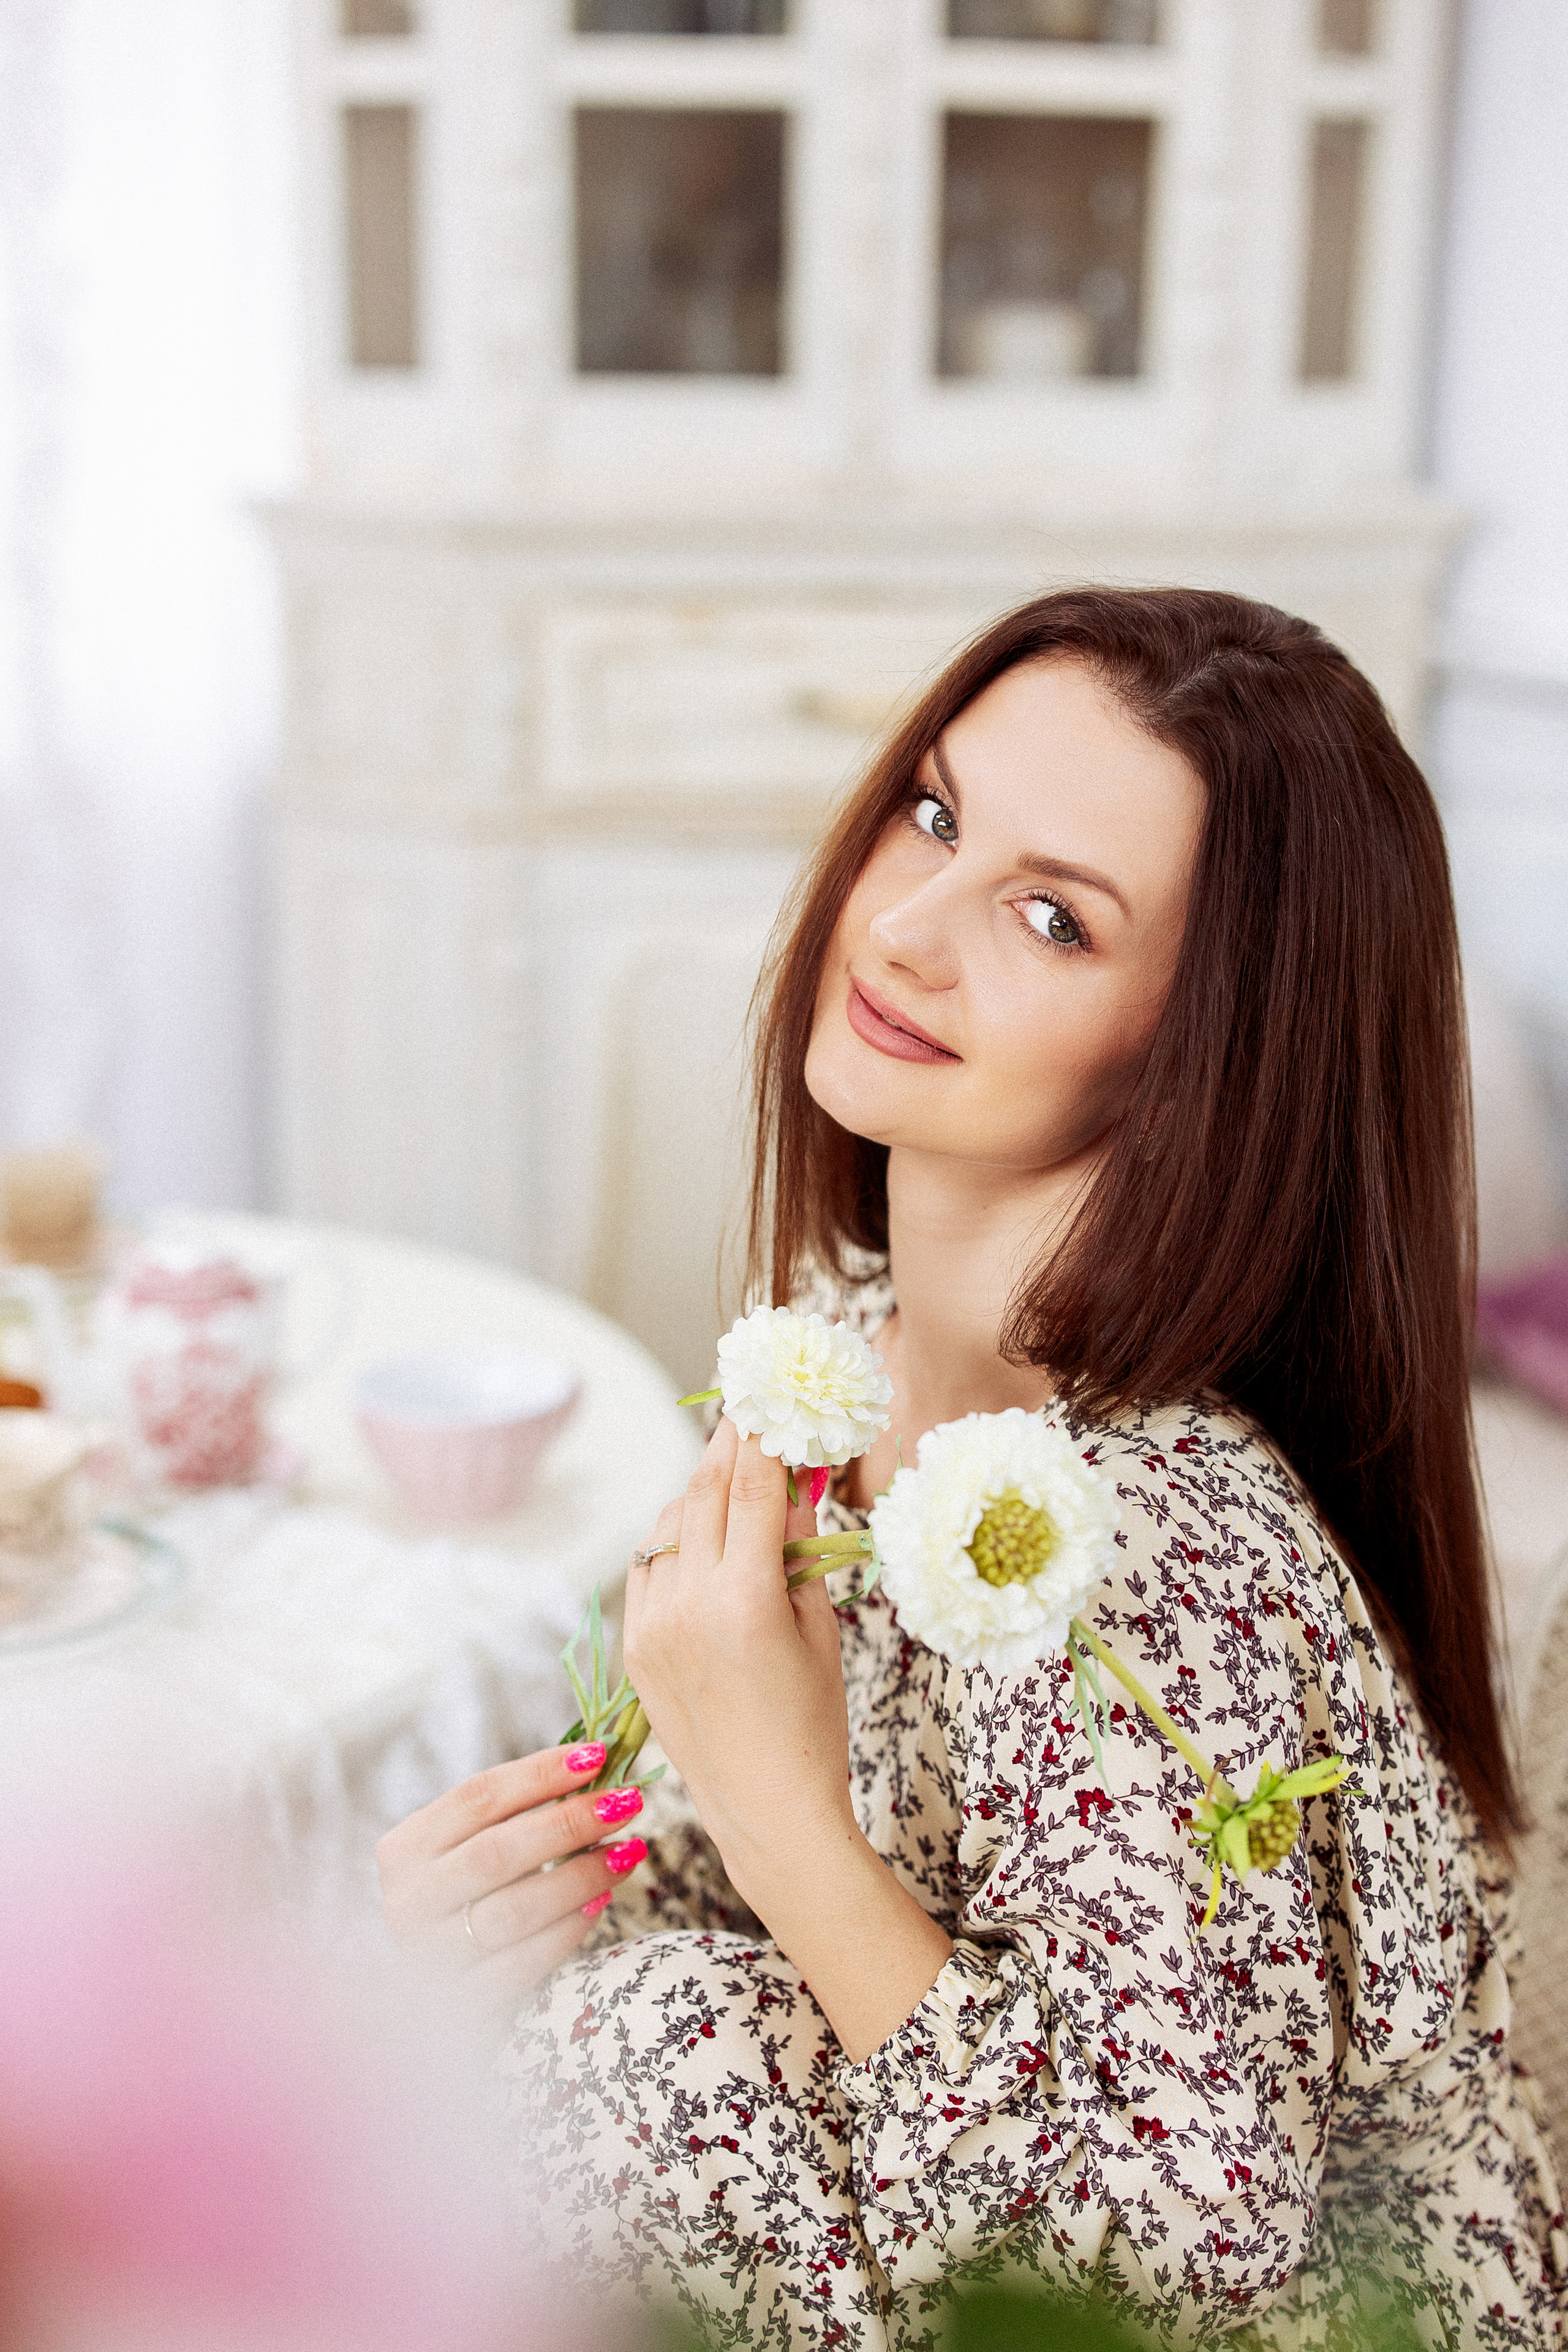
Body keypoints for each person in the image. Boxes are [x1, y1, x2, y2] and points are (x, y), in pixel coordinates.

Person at [377, 590, 1566, 2350]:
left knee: (659, 2054)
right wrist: (512, 1916)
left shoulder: (1147, 1547)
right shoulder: (832, 1357)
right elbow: (751, 1893)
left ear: (1207, 1053)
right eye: (934, 814)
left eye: (1052, 917)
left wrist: (779, 1824)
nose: (907, 928)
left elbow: (1166, 2288)